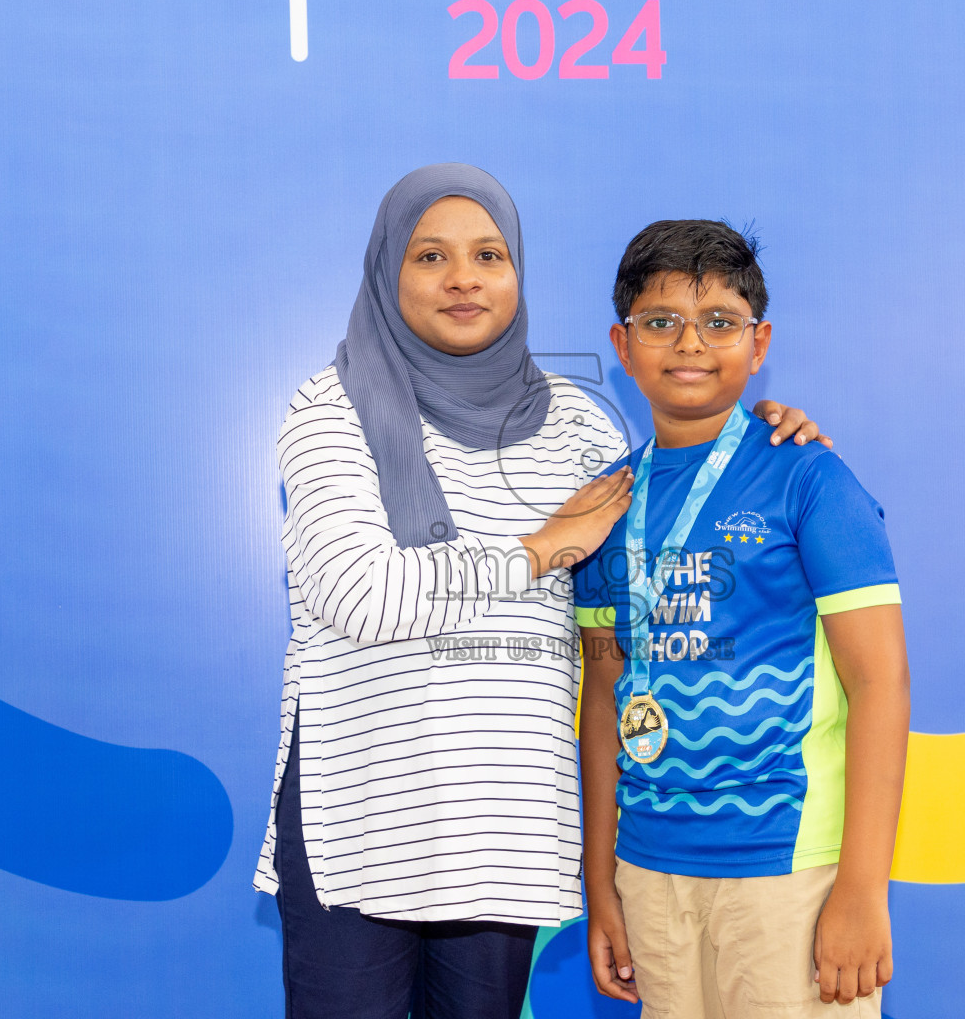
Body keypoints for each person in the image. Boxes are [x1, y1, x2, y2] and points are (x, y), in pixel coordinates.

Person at [251, 165, 834, 1019]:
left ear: (517, 273)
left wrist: (773, 441)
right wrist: (536, 549)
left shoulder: (580, 423)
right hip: (362, 820)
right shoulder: (330, 408)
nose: (463, 278)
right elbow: (358, 593)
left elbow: (660, 550)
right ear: (387, 272)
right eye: (430, 256)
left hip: (505, 827)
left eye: (488, 254)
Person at [576, 219, 912, 1018]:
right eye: (661, 322)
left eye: (719, 322)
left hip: (788, 867)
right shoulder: (601, 505)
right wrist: (603, 886)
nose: (690, 344)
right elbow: (600, 697)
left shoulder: (809, 478)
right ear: (623, 347)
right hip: (649, 870)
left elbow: (882, 683)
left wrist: (862, 889)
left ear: (758, 344)